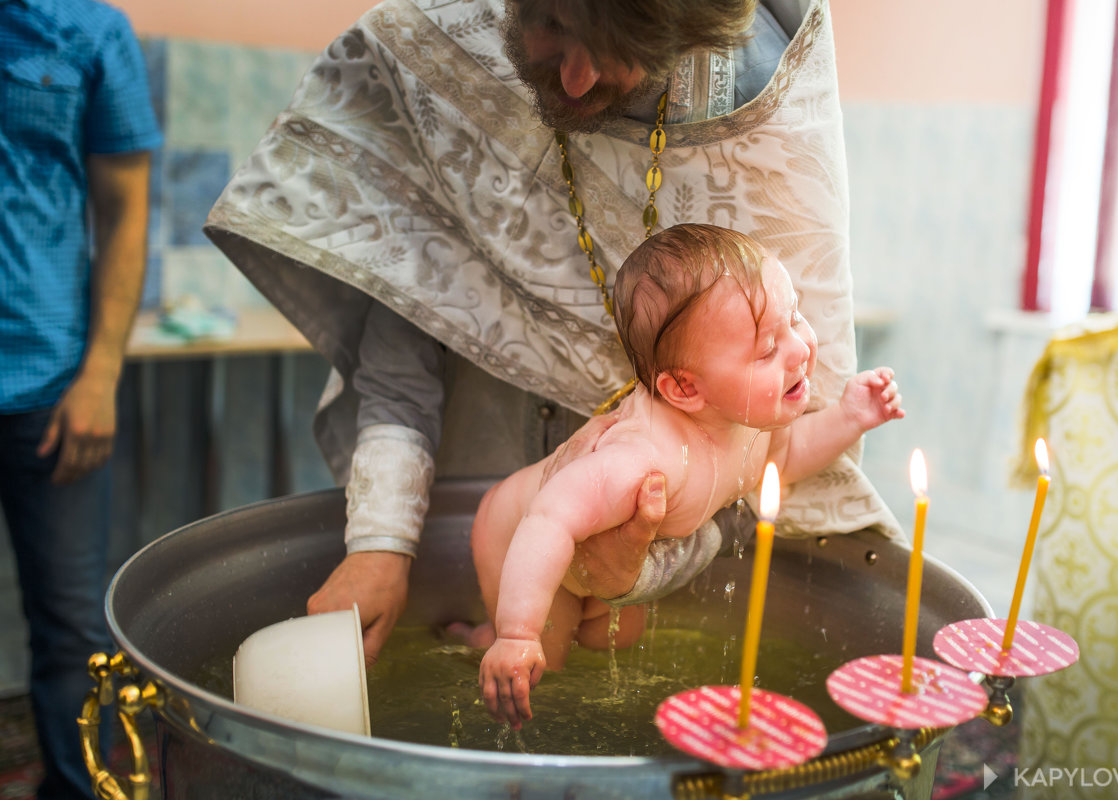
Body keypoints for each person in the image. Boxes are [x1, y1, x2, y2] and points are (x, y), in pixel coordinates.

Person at [204, 0, 902, 668]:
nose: (573, 78)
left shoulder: (754, 95)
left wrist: (634, 569)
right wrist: (381, 544)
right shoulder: (442, 40)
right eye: (551, 24)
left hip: (671, 534)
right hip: (476, 480)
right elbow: (407, 301)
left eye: (622, 53)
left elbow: (751, 471)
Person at [471, 224, 904, 727]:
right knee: (546, 669)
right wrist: (516, 633)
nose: (801, 349)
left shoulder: (748, 422)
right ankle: (480, 642)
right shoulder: (642, 457)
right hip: (518, 537)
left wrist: (850, 418)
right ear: (683, 388)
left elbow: (783, 463)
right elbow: (548, 518)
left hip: (589, 555)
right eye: (766, 350)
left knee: (616, 639)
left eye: (796, 317)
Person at [0, 0, 161, 797]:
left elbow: (126, 207)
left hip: (49, 385)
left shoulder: (89, 32)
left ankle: (74, 789)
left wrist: (100, 373)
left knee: (72, 635)